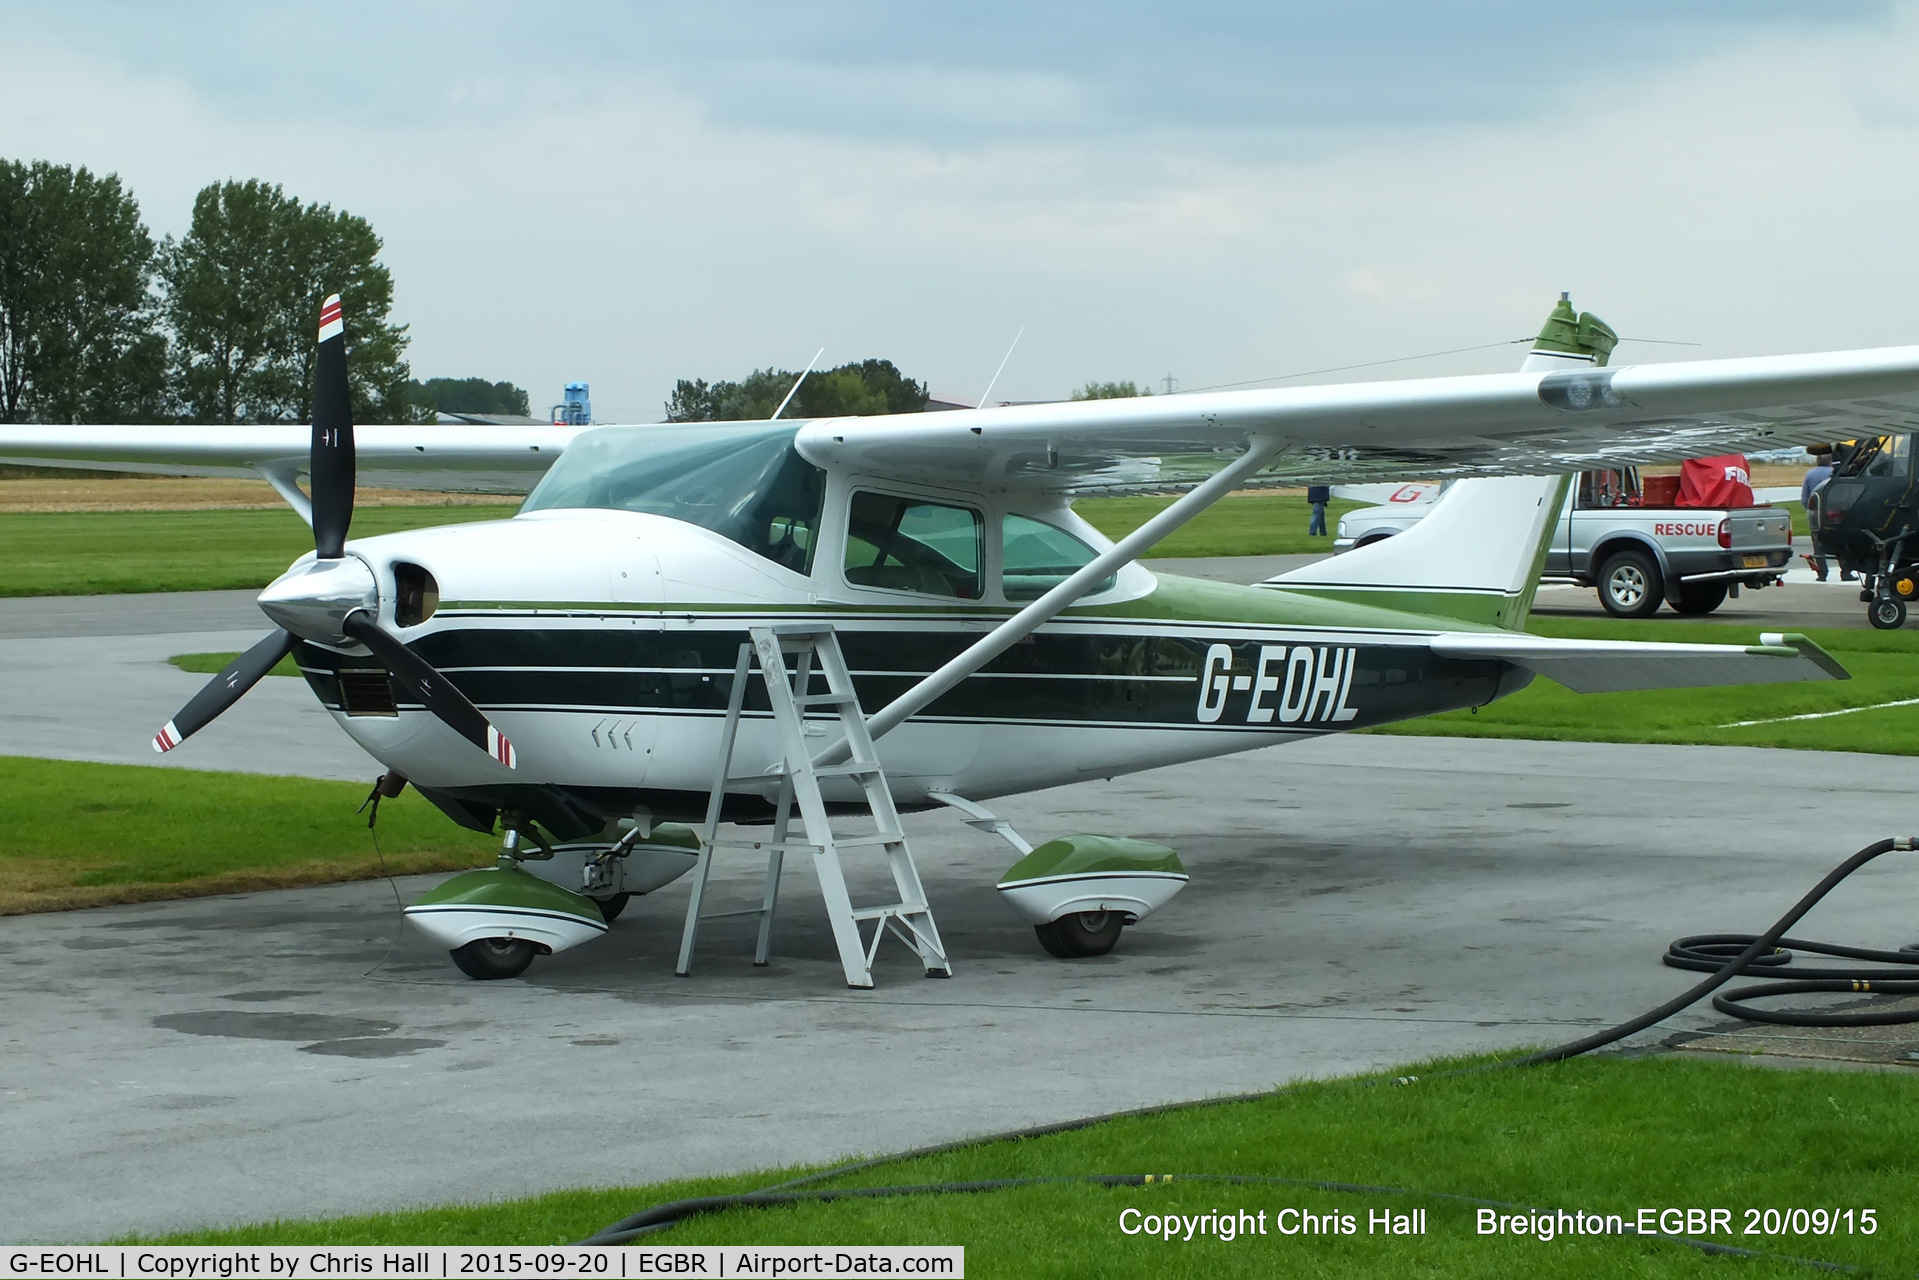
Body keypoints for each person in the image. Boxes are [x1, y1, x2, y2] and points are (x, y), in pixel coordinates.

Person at [1800, 453, 1833, 582]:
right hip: (1833, 512)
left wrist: (1811, 511)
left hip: (1816, 512)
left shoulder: (1810, 474)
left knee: (1818, 545)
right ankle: (1846, 572)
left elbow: (1804, 497)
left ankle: (1822, 573)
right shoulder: (1834, 472)